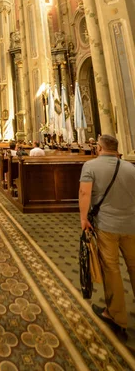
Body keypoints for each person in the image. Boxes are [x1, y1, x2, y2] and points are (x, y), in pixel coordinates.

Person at [79, 134, 135, 340]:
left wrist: (83, 219)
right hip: (132, 225)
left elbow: (85, 194)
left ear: (99, 148)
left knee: (112, 269)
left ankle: (117, 316)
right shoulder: (131, 167)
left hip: (107, 226)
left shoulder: (91, 166)